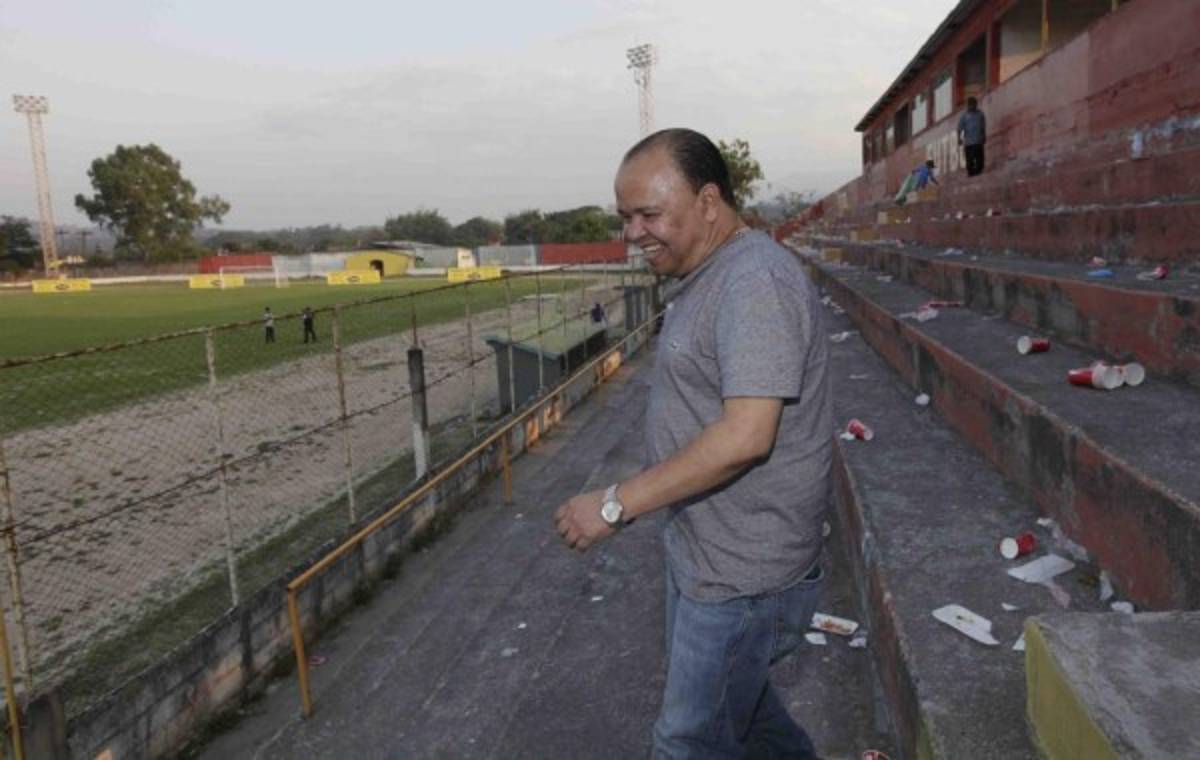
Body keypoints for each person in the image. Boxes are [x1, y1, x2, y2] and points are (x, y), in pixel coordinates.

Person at [553, 128, 833, 758]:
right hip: (708, 553)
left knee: (688, 741)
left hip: (743, 577)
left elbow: (746, 435)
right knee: (750, 716)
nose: (633, 234)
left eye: (650, 214)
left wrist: (615, 503)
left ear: (709, 202)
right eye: (625, 217)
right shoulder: (711, 271)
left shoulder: (753, 282)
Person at [957, 96, 987, 176]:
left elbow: (983, 126)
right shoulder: (964, 116)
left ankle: (978, 172)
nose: (972, 106)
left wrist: (984, 136)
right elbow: (960, 128)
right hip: (969, 143)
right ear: (968, 105)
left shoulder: (980, 114)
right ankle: (971, 174)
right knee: (970, 161)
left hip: (978, 141)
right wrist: (959, 139)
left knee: (980, 160)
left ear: (976, 104)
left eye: (974, 104)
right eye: (970, 105)